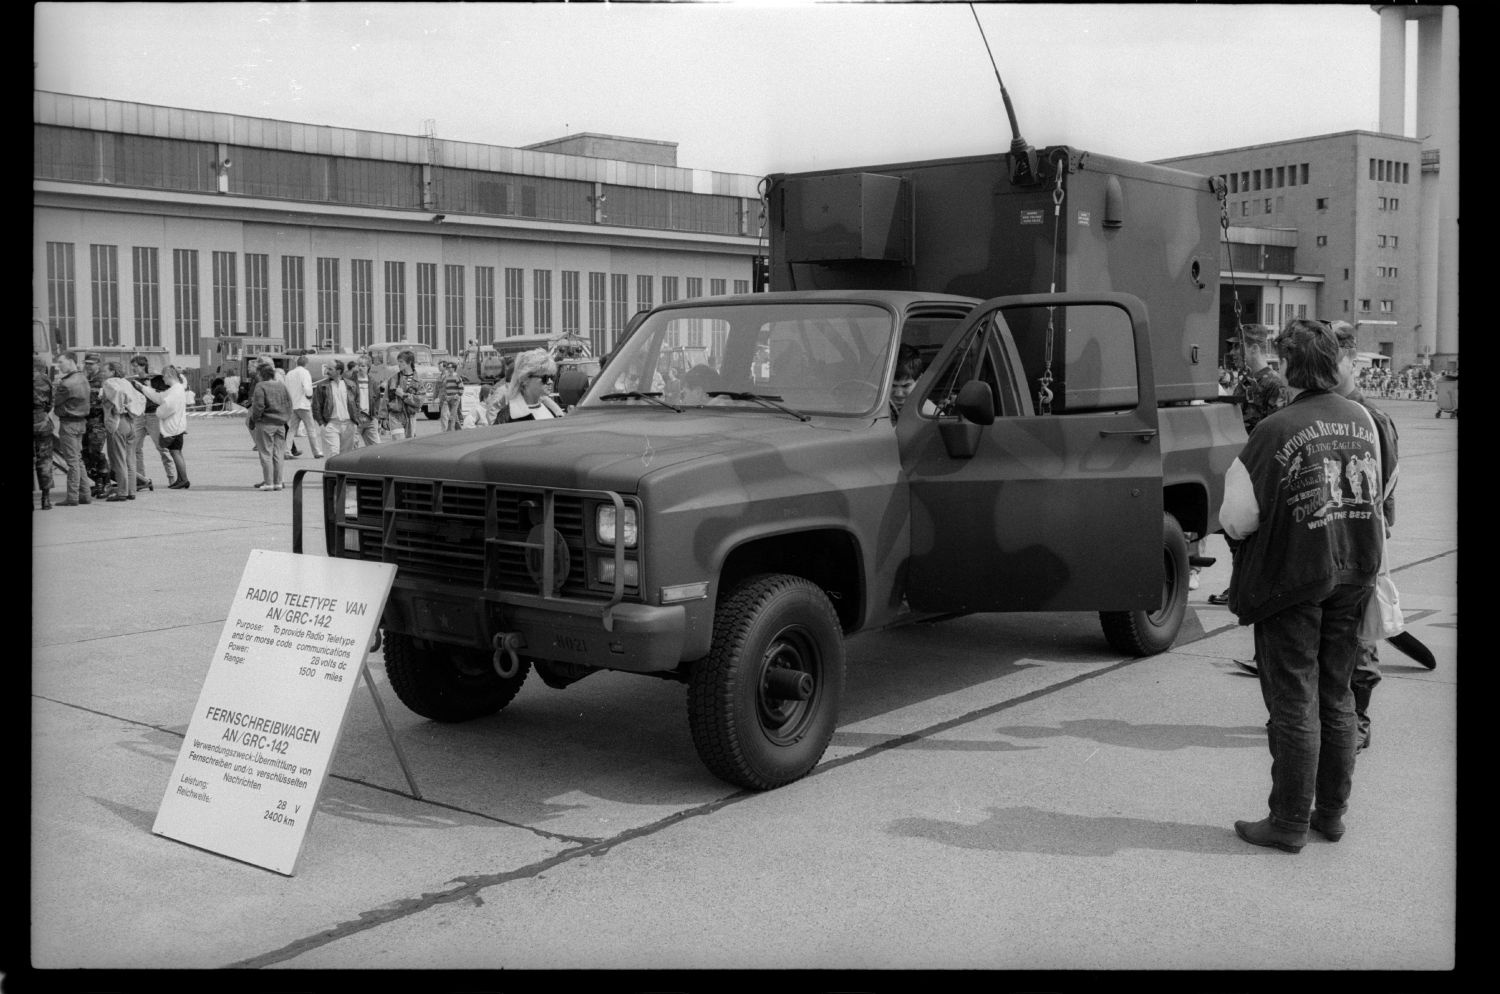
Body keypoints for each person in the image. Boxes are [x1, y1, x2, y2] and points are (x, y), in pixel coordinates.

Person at [1219, 319, 1385, 853]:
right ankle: (1330, 814)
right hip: (1355, 569)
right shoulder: (1365, 419)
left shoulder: (1273, 429)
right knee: (1337, 695)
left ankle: (1288, 821)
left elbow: (1238, 518)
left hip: (1294, 577)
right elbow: (1383, 491)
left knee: (1294, 700)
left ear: (1289, 368)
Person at [1331, 321, 1399, 751]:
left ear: (1351, 363)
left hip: (1359, 541)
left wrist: (1376, 535)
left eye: (1332, 362)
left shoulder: (1371, 418)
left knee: (1358, 638)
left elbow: (1386, 483)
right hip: (1326, 541)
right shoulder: (1321, 412)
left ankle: (1359, 720)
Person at [1207, 327, 1290, 607]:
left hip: (1260, 470)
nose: (1231, 353)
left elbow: (1278, 432)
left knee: (1254, 534)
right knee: (1235, 532)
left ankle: (1253, 587)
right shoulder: (1246, 382)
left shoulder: (1272, 384)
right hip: (1243, 464)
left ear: (1254, 348)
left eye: (1236, 347)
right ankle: (1241, 585)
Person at [100, 360, 144, 501]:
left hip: (117, 422)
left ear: (113, 372)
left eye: (105, 371)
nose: (103, 373)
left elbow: (117, 393)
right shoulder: (126, 382)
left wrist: (118, 406)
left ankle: (122, 492)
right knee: (130, 459)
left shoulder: (110, 383)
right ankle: (131, 491)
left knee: (118, 459)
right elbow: (141, 397)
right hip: (131, 422)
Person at [52, 353, 93, 506]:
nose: (59, 365)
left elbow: (56, 405)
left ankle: (73, 497)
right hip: (81, 423)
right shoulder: (83, 378)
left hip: (68, 423)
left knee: (72, 462)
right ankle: (85, 494)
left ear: (70, 361)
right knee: (78, 459)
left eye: (61, 362)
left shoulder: (66, 384)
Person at [142, 365, 190, 489]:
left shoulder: (175, 390)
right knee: (177, 453)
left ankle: (183, 479)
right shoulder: (176, 388)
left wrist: (158, 412)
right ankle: (181, 479)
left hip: (174, 428)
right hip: (177, 426)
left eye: (164, 376)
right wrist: (145, 388)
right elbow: (160, 397)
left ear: (169, 375)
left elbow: (168, 405)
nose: (163, 379)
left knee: (176, 453)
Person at [128, 354, 170, 489]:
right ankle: (141, 480)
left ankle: (172, 478)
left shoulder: (155, 379)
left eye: (135, 366)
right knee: (135, 448)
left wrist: (149, 387)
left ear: (142, 366)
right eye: (132, 366)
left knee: (162, 448)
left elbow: (164, 395)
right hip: (139, 416)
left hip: (153, 415)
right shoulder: (133, 382)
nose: (133, 369)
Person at [247, 364, 291, 490]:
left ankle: (268, 483)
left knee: (266, 453)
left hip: (265, 423)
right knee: (278, 454)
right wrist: (285, 418)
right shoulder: (281, 386)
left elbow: (258, 406)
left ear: (261, 374)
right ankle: (278, 482)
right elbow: (289, 403)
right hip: (280, 424)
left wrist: (253, 420)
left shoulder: (261, 386)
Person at [498, 348, 563, 423]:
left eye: (552, 377)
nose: (550, 382)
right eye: (545, 378)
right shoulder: (507, 416)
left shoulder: (550, 410)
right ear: (525, 379)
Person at [81, 353, 112, 498]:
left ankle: (106, 484)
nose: (88, 366)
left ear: (98, 364)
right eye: (87, 363)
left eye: (91, 364)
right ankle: (98, 482)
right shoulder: (84, 379)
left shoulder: (104, 380)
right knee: (86, 454)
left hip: (97, 422)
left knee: (96, 452)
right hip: (84, 422)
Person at [312, 361, 356, 456]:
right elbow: (316, 406)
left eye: (330, 369)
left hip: (349, 425)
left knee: (346, 456)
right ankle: (330, 471)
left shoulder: (351, 385)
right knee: (333, 454)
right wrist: (322, 424)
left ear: (339, 371)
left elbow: (357, 403)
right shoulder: (322, 386)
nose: (327, 371)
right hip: (331, 425)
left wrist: (355, 422)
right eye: (327, 368)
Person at [284, 354, 323, 459]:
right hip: (303, 405)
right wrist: (309, 397)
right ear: (306, 363)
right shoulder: (305, 372)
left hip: (293, 405)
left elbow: (286, 389)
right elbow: (307, 387)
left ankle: (287, 451)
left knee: (292, 430)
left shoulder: (289, 373)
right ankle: (316, 452)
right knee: (311, 429)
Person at [34, 354, 55, 510]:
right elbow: (50, 403)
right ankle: (46, 499)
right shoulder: (45, 379)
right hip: (42, 421)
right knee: (45, 459)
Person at [383, 349, 421, 440]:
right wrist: (384, 418)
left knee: (409, 446)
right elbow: (385, 399)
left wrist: (403, 395)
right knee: (398, 443)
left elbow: (419, 401)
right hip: (395, 416)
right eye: (398, 361)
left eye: (401, 362)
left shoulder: (418, 381)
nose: (398, 364)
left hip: (410, 417)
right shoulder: (393, 379)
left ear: (409, 362)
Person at [349, 353, 381, 447]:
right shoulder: (351, 382)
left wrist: (375, 416)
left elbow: (378, 400)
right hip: (355, 420)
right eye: (358, 365)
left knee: (376, 447)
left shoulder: (373, 382)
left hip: (370, 419)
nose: (360, 368)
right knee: (352, 446)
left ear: (368, 367)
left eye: (363, 366)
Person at [889, 344, 924, 422]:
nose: (898, 394)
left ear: (920, 381)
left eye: (906, 386)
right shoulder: (870, 409)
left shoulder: (926, 414)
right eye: (892, 386)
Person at [439, 360, 465, 431]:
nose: (448, 369)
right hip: (449, 399)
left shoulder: (457, 377)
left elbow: (461, 388)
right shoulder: (447, 378)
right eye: (447, 367)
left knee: (452, 416)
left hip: (455, 399)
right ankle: (459, 430)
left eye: (449, 367)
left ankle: (450, 431)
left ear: (453, 368)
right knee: (454, 416)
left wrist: (458, 395)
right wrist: (446, 396)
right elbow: (446, 388)